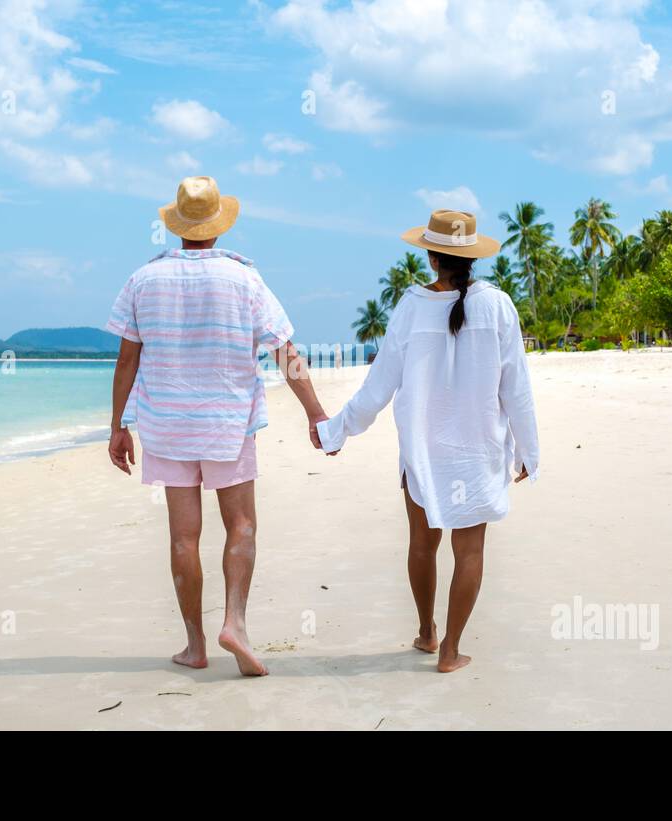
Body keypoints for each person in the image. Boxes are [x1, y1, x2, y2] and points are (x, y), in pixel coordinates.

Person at [106, 176, 329, 677]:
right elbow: (284, 352)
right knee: (241, 524)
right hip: (229, 422)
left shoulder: (144, 279)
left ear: (178, 225)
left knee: (184, 537)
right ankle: (236, 623)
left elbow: (126, 361)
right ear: (218, 225)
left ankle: (195, 645)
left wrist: (118, 424)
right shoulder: (243, 278)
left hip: (166, 423)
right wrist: (315, 411)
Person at [316, 209, 541, 673]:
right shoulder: (498, 305)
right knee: (470, 552)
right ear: (471, 257)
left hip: (424, 451)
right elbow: (516, 387)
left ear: (431, 259)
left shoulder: (411, 306)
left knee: (422, 545)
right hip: (477, 451)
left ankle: (425, 631)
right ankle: (451, 650)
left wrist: (337, 431)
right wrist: (528, 452)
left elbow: (379, 384)